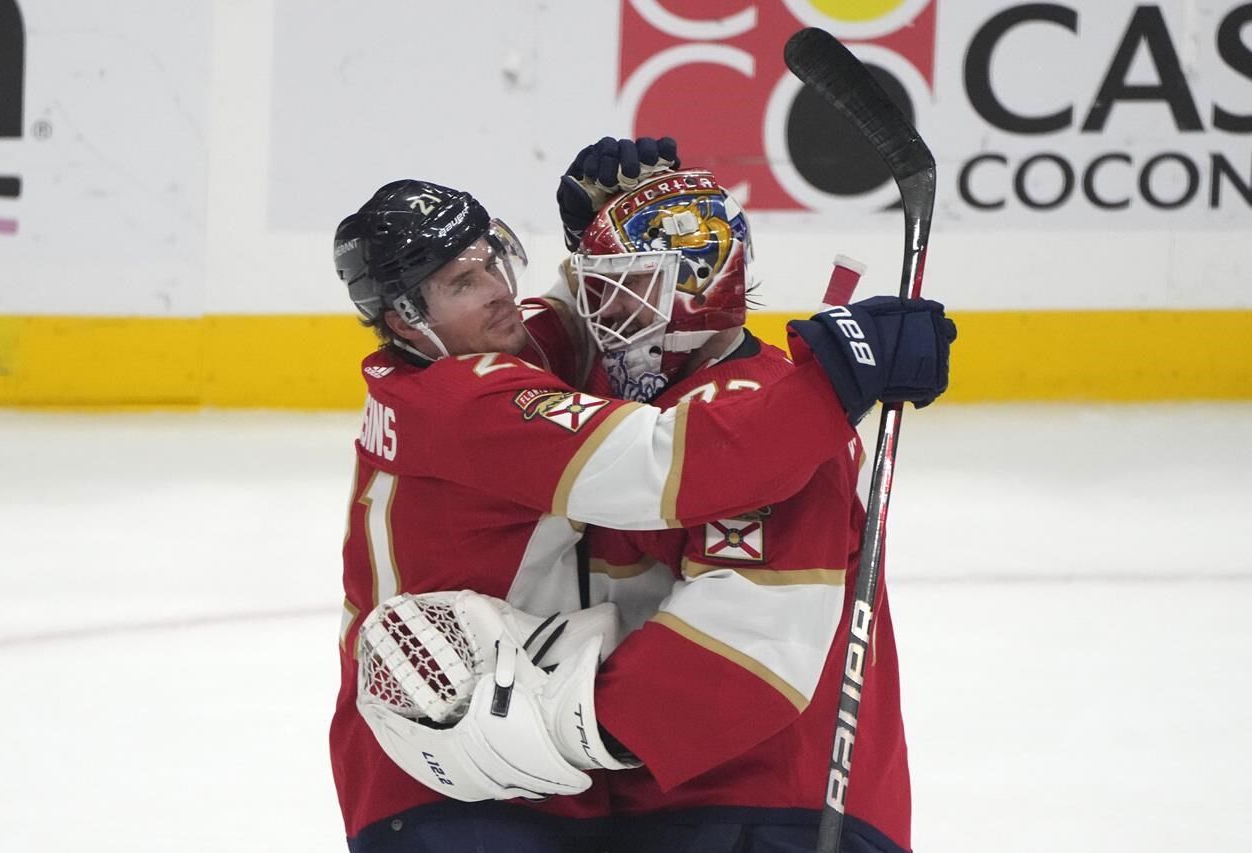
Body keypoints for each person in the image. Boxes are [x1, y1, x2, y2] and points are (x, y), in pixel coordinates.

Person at [328, 155, 954, 852]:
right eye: (462, 283)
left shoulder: (456, 365)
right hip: (456, 763)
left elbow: (565, 322)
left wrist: (603, 244)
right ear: (405, 318)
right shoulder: (470, 401)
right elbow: (667, 462)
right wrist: (838, 376)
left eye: (494, 260)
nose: (502, 291)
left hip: (489, 761)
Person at [558, 165, 921, 853]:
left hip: (766, 808)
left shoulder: (758, 419)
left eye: (627, 290)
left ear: (695, 293)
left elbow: (747, 648)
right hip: (697, 802)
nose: (605, 317)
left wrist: (563, 726)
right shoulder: (668, 414)